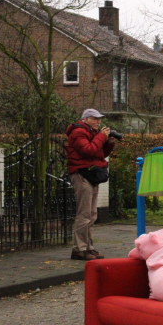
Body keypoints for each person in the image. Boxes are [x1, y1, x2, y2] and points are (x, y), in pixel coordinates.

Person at [66, 108, 116, 260]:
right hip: (81, 174)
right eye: (95, 119)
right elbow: (89, 150)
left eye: (99, 119)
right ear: (85, 119)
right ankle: (79, 249)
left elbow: (99, 154)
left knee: (92, 214)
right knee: (84, 214)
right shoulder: (78, 132)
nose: (98, 122)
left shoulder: (92, 133)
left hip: (91, 174)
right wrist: (101, 136)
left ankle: (89, 247)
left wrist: (109, 143)